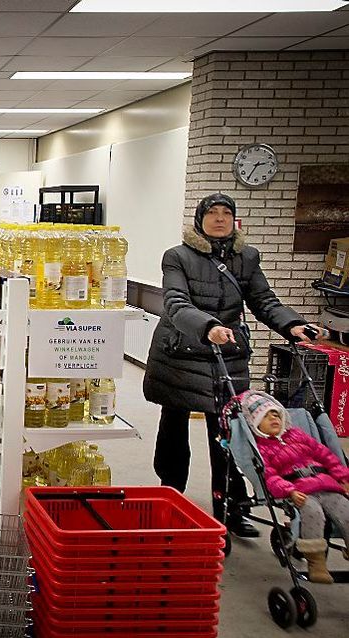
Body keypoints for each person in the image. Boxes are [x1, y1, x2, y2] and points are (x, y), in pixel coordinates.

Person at [143, 192, 319, 537]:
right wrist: (208, 327)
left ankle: (231, 506)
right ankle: (169, 494)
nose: (220, 219)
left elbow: (263, 300)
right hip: (181, 353)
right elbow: (176, 304)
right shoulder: (177, 257)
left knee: (228, 432)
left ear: (234, 220)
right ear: (200, 219)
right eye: (213, 213)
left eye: (226, 213)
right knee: (174, 428)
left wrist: (291, 324)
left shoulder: (247, 257)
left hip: (228, 355)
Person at [245, 390, 349, 583]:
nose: (273, 418)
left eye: (276, 414)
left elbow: (326, 455)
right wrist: (289, 491)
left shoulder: (298, 435)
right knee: (313, 513)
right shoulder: (263, 449)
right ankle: (316, 562)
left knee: (345, 510)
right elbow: (270, 477)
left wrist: (343, 476)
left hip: (326, 484)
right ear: (256, 425)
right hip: (299, 490)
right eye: (266, 417)